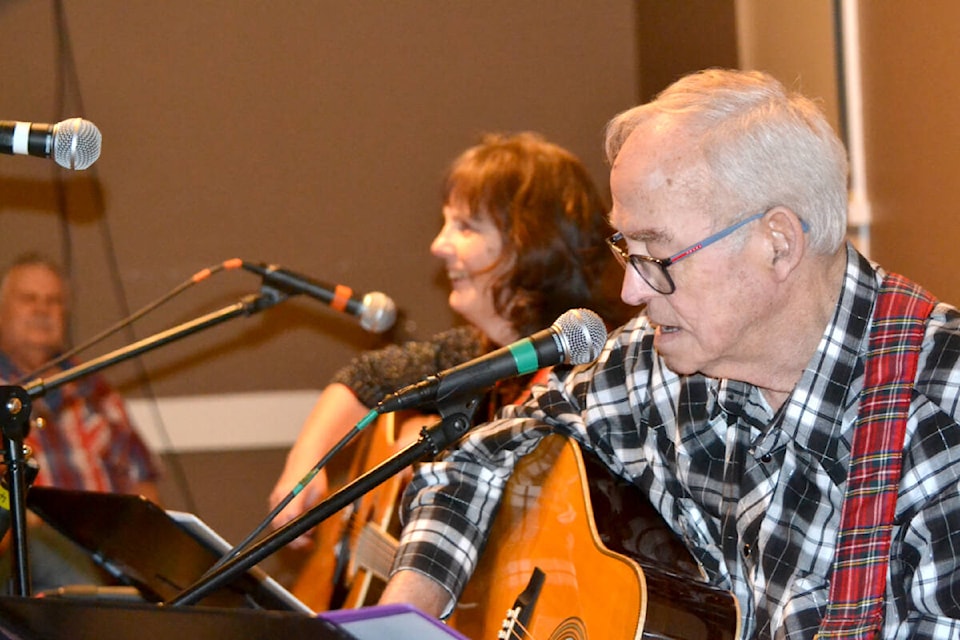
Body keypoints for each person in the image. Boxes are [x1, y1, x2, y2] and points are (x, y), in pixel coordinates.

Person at [377, 69, 960, 639]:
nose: (631, 291)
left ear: (777, 244)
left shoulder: (937, 416)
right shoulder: (658, 363)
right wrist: (403, 618)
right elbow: (481, 459)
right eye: (624, 248)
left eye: (656, 251)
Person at [269, 132, 631, 545]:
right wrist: (302, 470)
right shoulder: (475, 349)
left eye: (465, 226)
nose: (438, 245)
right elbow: (365, 377)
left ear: (531, 243)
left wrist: (437, 446)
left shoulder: (597, 365)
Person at [0, 254, 161, 592]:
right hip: (23, 555)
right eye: (29, 299)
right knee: (42, 540)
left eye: (53, 301)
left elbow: (143, 483)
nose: (42, 309)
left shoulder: (93, 388)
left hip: (106, 552)